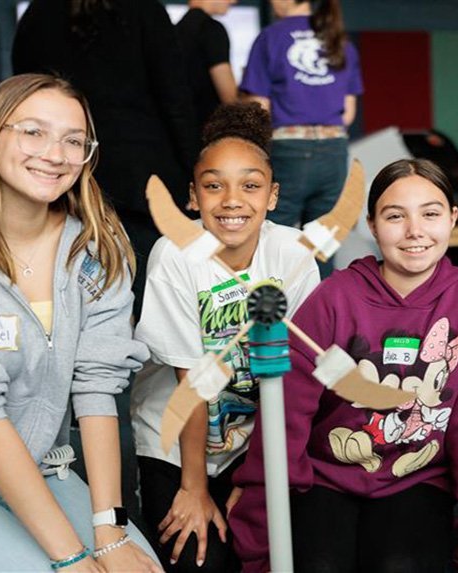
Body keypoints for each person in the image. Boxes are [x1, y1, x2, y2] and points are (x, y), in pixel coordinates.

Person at [0, 74, 160, 571]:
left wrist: (109, 534)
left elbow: (96, 389)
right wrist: (72, 559)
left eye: (73, 141)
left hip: (44, 471)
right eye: (33, 132)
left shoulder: (96, 253)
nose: (55, 153)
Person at [229, 159, 458, 572]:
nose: (415, 231)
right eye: (395, 216)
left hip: (418, 479)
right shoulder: (334, 298)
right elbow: (287, 417)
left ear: (453, 218)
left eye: (431, 213)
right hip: (326, 475)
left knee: (398, 565)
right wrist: (258, 530)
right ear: (371, 224)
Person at [131, 102, 320, 572]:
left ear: (272, 196)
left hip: (256, 438)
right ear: (193, 197)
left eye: (250, 186)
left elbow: (298, 380)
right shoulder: (175, 255)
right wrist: (194, 488)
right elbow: (190, 383)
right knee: (199, 561)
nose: (232, 201)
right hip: (174, 441)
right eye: (214, 186)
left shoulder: (294, 253)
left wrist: (256, 477)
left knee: (283, 551)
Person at [12, 0, 200, 318]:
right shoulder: (144, 9)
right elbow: (174, 96)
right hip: (144, 178)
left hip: (66, 172)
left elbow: (25, 94)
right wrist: (195, 171)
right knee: (151, 305)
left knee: (73, 293)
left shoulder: (38, 13)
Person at [240, 0, 363, 275]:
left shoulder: (270, 37)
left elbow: (259, 110)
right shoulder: (341, 41)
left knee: (273, 238)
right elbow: (348, 113)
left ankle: (270, 314)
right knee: (323, 243)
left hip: (289, 149)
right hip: (334, 149)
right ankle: (317, 315)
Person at [177, 0, 239, 127]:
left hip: (181, 130)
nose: (234, 1)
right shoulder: (212, 30)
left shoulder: (175, 32)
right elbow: (229, 97)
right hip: (210, 129)